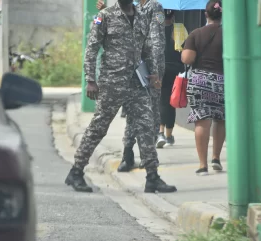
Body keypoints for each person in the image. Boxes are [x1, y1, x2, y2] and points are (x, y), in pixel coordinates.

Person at [65, 0, 177, 193]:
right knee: (98, 127)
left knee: (146, 125)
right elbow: (92, 48)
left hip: (137, 82)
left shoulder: (142, 16)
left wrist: (155, 73)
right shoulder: (106, 16)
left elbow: (147, 48)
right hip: (112, 82)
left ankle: (152, 176)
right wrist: (90, 80)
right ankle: (76, 171)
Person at [97, 0, 166, 172]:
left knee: (150, 113)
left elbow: (156, 42)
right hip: (133, 67)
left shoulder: (155, 7)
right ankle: (128, 154)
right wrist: (106, 11)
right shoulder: (134, 8)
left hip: (148, 68)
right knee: (133, 111)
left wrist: (155, 72)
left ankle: (147, 157)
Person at [181, 0, 224, 176]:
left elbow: (187, 59)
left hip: (199, 81)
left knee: (202, 121)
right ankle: (216, 158)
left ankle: (202, 165)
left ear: (206, 14)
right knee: (221, 119)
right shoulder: (229, 34)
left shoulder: (196, 34)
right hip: (223, 81)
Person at [155, 10, 185, 148]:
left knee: (162, 99)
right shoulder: (179, 28)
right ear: (173, 16)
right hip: (176, 69)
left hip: (160, 68)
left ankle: (160, 132)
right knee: (172, 101)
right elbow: (185, 48)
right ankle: (168, 135)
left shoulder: (156, 29)